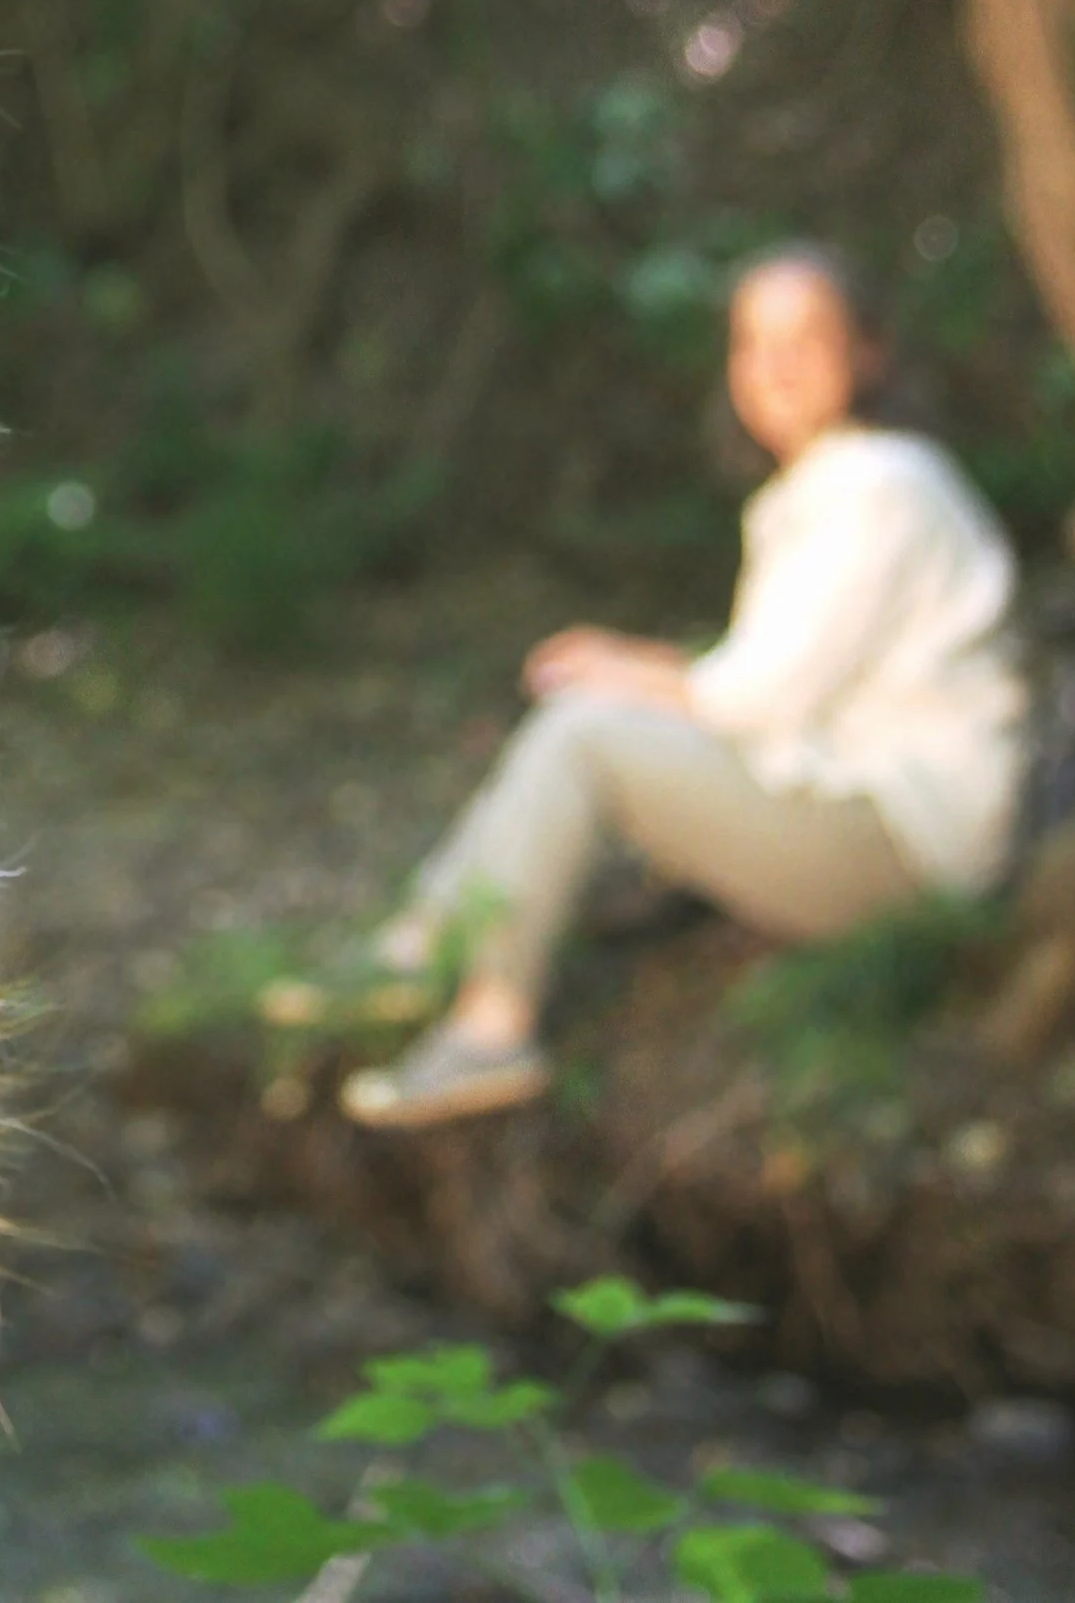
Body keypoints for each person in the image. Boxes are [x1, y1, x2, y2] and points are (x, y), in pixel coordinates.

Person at [339, 243, 1027, 1132]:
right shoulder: (835, 486)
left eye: (805, 341)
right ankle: (414, 955)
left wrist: (623, 668)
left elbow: (754, 697)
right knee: (593, 713)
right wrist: (631, 672)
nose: (772, 369)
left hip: (901, 848)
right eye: (751, 344)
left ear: (868, 353)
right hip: (864, 817)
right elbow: (770, 679)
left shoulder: (880, 487)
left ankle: (487, 1025)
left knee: (588, 734)